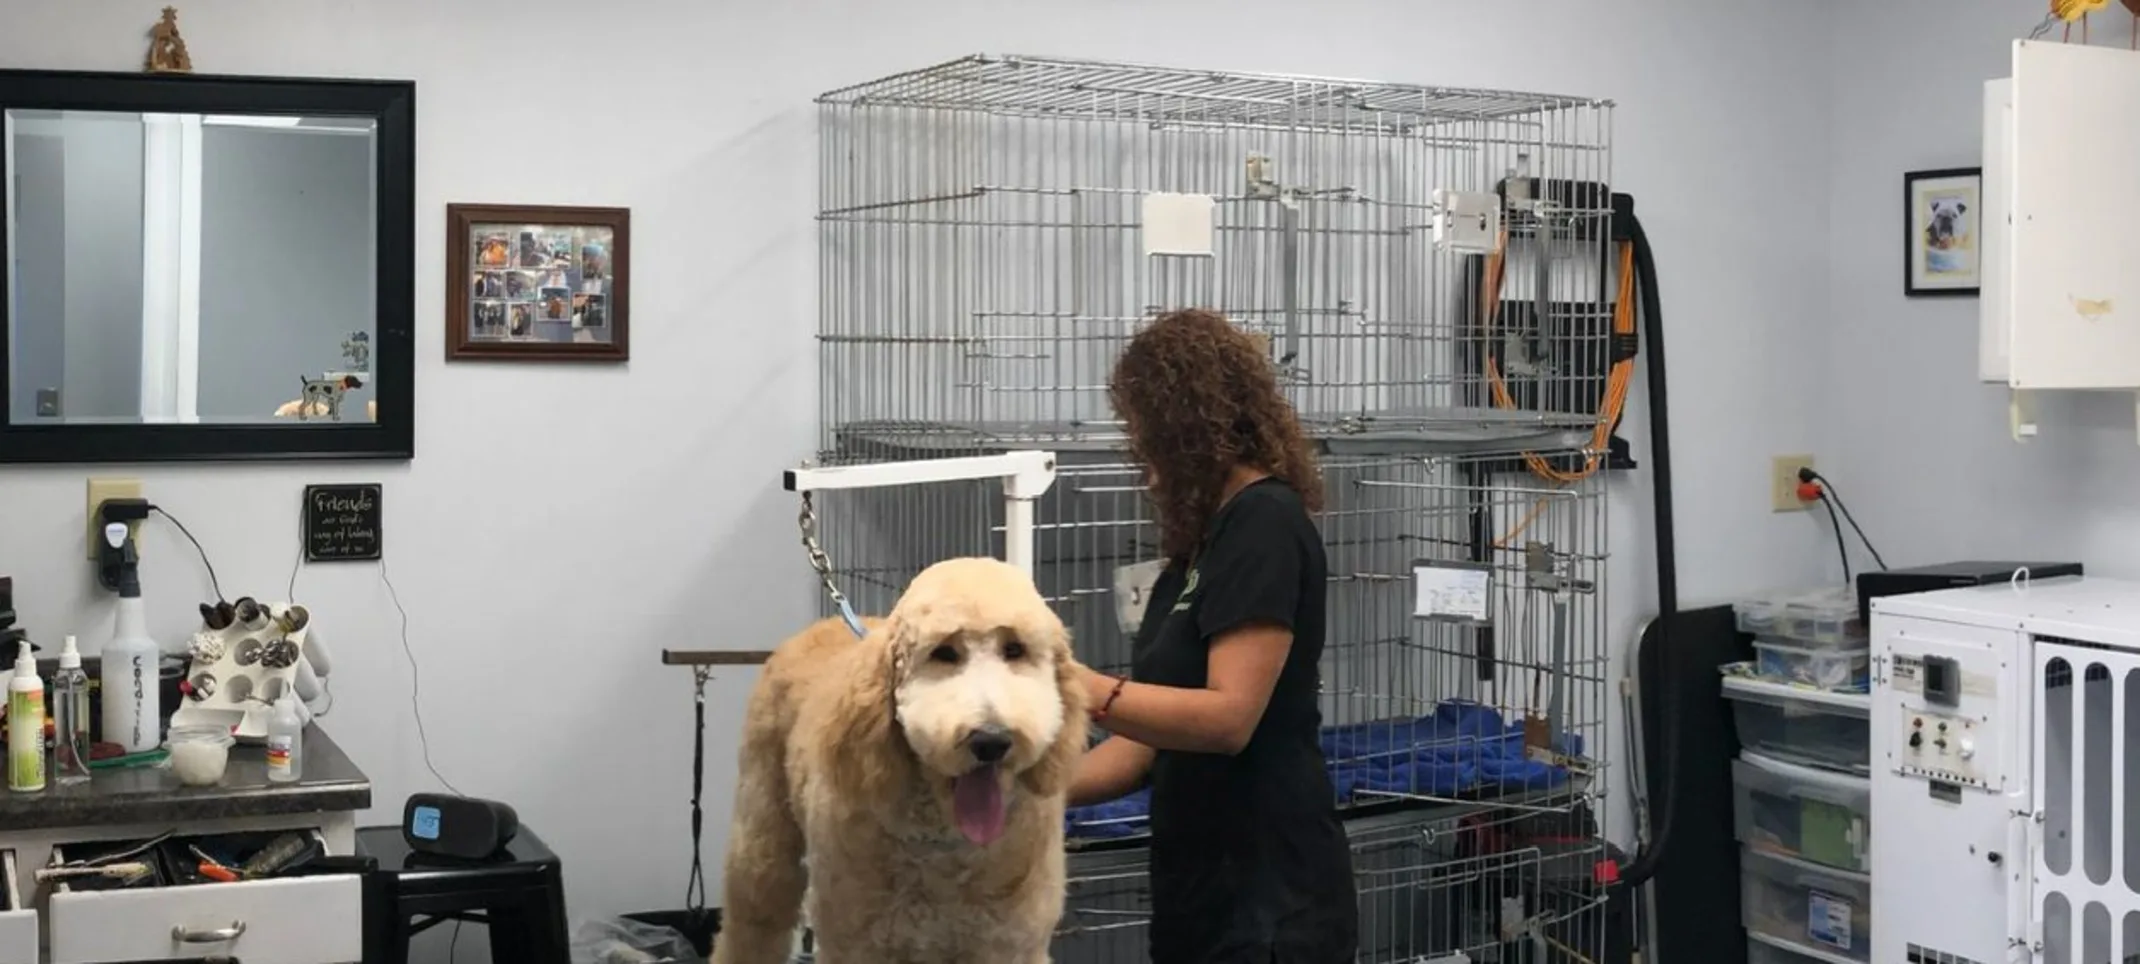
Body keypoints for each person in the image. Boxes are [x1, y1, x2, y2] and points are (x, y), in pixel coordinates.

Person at [1069, 308, 1359, 964]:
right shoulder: (1197, 551)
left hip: (1271, 904)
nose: (1141, 459)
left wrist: (1076, 685)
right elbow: (1144, 742)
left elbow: (1229, 718)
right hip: (1200, 897)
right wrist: (1024, 791)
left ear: (1184, 428)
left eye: (1145, 437)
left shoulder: (1265, 526)